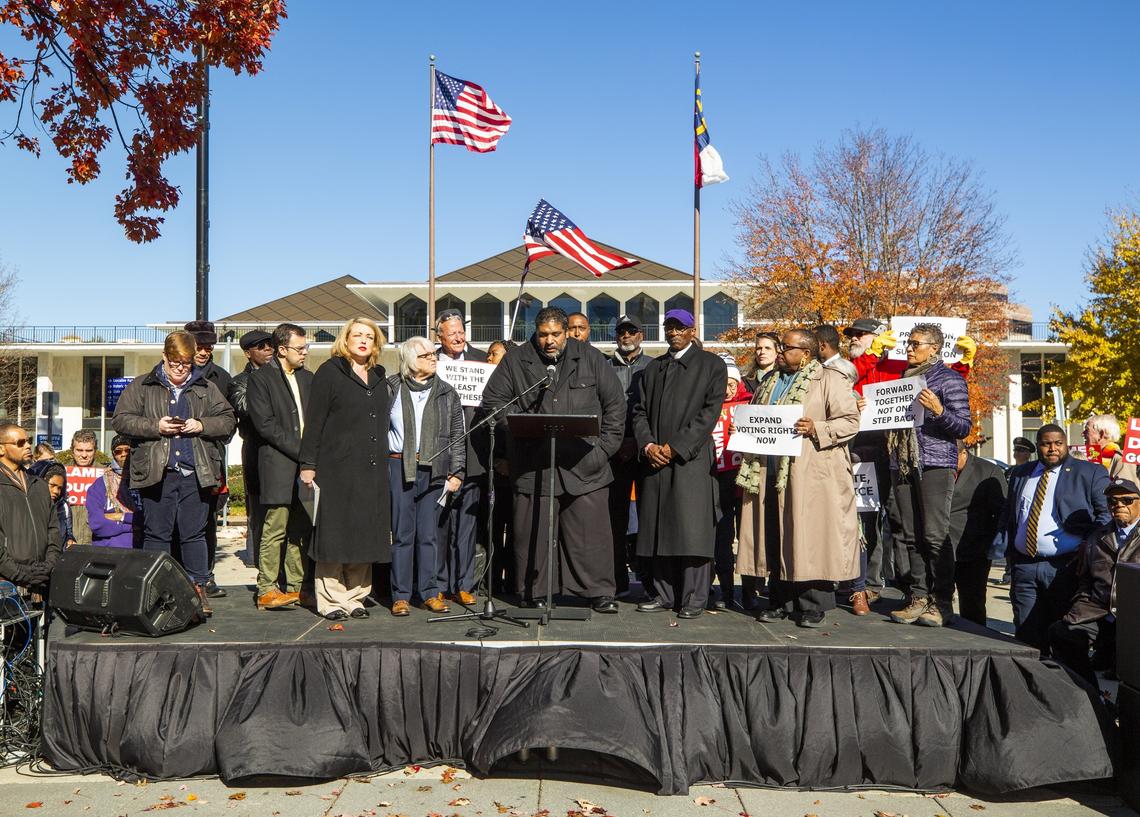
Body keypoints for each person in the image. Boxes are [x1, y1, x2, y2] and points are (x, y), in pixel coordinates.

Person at [482, 306, 625, 613]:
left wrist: (604, 450)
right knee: (533, 536)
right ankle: (533, 592)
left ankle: (597, 592)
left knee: (590, 535)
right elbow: (493, 403)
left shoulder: (590, 357)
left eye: (555, 335)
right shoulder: (516, 360)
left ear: (566, 332)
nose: (549, 341)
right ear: (535, 332)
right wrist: (520, 424)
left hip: (585, 464)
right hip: (535, 466)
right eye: (543, 335)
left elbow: (615, 405)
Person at [735, 329, 860, 627]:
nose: (779, 352)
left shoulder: (829, 379)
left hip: (812, 473)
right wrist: (743, 430)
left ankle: (812, 604)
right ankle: (780, 600)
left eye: (785, 348)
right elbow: (757, 417)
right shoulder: (769, 382)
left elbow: (851, 421)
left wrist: (816, 427)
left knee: (809, 536)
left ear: (805, 353)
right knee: (777, 533)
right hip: (771, 470)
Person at [111, 330, 236, 615]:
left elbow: (228, 420)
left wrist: (201, 425)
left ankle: (197, 590)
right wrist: (156, 426)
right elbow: (121, 420)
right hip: (157, 473)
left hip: (195, 474)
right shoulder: (143, 385)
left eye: (187, 364)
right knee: (157, 535)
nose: (182, 369)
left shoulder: (205, 387)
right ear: (164, 357)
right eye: (176, 363)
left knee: (194, 535)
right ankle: (158, 592)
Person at [632, 309, 726, 619]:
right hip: (655, 460)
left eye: (679, 327)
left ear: (691, 329)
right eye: (669, 327)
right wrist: (648, 445)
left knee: (691, 530)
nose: (673, 332)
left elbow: (709, 413)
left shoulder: (711, 365)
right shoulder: (653, 369)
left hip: (691, 460)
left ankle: (694, 597)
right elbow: (639, 412)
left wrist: (676, 448)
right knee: (658, 528)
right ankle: (663, 593)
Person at [299, 317, 392, 621]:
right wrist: (308, 465)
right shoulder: (330, 372)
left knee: (364, 533)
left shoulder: (379, 375)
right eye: (357, 335)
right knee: (335, 535)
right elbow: (314, 423)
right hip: (336, 468)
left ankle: (356, 597)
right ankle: (331, 599)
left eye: (369, 336)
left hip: (371, 470)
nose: (363, 340)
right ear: (346, 339)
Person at [886, 323, 973, 628]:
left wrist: (938, 410)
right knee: (910, 534)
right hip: (904, 463)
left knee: (934, 534)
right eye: (907, 344)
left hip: (935, 462)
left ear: (934, 348)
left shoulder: (949, 379)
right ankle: (918, 596)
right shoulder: (902, 379)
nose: (909, 348)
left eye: (915, 343)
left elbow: (963, 427)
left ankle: (942, 601)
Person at [1002, 424, 1110, 652]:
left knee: (1063, 638)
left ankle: (1064, 685)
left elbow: (1105, 516)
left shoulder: (1088, 472)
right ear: (1038, 446)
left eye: (1058, 443)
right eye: (1046, 444)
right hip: (1024, 566)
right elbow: (1011, 516)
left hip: (1064, 568)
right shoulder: (1021, 473)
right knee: (1026, 635)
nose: (1052, 449)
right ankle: (1031, 684)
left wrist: (1087, 546)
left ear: (1065, 444)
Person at [388, 337, 466, 616]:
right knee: (402, 533)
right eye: (425, 355)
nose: (433, 358)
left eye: (433, 355)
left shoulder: (447, 392)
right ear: (410, 360)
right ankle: (401, 595)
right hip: (398, 466)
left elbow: (458, 434)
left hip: (435, 469)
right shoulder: (391, 387)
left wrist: (457, 471)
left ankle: (430, 592)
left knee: (429, 534)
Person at [1049, 477, 1140, 688]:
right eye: (1112, 501)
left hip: (1134, 616)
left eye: (1126, 500)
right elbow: (1086, 581)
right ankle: (1092, 694)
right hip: (1100, 611)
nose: (1118, 505)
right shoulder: (1097, 537)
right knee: (1061, 633)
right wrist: (1080, 606)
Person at [247, 323, 313, 611]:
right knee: (275, 527)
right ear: (282, 349)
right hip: (278, 464)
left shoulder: (308, 379)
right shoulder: (261, 380)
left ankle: (297, 587)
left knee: (300, 529)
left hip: (306, 467)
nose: (305, 353)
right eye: (300, 349)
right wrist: (303, 450)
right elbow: (265, 425)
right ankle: (267, 588)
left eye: (306, 347)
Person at [434, 308, 488, 606]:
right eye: (452, 332)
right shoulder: (429, 361)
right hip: (440, 456)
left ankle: (463, 584)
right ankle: (439, 583)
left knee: (466, 528)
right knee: (439, 525)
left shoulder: (481, 360)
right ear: (439, 336)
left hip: (473, 455)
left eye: (461, 331)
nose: (458, 336)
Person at [184, 319, 235, 599]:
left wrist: (211, 433)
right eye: (199, 347)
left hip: (211, 458)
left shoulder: (221, 377)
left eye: (208, 347)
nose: (204, 352)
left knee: (207, 520)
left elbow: (230, 421)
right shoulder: (174, 374)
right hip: (180, 458)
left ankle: (207, 575)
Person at [606, 314, 652, 597]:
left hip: (644, 451)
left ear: (641, 336)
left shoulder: (653, 366)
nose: (626, 336)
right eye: (622, 332)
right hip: (613, 452)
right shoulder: (604, 366)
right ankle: (616, 582)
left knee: (647, 520)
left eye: (631, 331)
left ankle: (650, 583)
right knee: (614, 520)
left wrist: (638, 441)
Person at [949, 440, 1008, 626]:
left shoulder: (988, 472)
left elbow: (1001, 512)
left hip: (973, 550)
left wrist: (989, 545)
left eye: (951, 458)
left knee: (972, 604)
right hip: (940, 548)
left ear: (963, 453)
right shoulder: (937, 470)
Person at [229, 329, 274, 566]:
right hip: (256, 451)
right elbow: (248, 411)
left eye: (270, 345)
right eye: (261, 346)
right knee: (258, 507)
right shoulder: (239, 382)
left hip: (284, 452)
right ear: (248, 353)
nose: (269, 349)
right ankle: (257, 558)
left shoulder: (284, 376)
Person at [0, 422, 60, 595]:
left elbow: (53, 530)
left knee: (40, 623)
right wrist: (21, 574)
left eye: (29, 441)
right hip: (8, 585)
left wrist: (48, 567)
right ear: (1, 449)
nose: (27, 446)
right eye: (20, 443)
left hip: (41, 585)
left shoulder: (39, 485)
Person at [711, 357, 751, 609]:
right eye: (723, 383)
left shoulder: (750, 404)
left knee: (748, 539)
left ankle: (749, 593)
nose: (727, 388)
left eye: (732, 383)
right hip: (719, 481)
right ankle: (725, 592)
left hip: (745, 481)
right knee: (722, 538)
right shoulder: (709, 406)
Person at [86, 435, 136, 548]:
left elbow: (150, 520)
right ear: (113, 454)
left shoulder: (146, 481)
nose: (124, 454)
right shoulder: (100, 485)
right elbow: (97, 524)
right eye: (118, 451)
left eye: (127, 450)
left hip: (141, 552)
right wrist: (131, 526)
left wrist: (121, 516)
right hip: (109, 553)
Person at [1083, 414, 1138, 482]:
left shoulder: (1121, 458)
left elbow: (1127, 490)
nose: (1082, 434)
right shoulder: (1088, 457)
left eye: (1087, 430)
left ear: (1101, 434)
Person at [67, 428, 98, 544]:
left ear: (95, 451)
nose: (84, 455)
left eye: (89, 450)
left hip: (94, 542)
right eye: (79, 450)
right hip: (65, 542)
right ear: (72, 451)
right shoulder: (61, 473)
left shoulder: (105, 475)